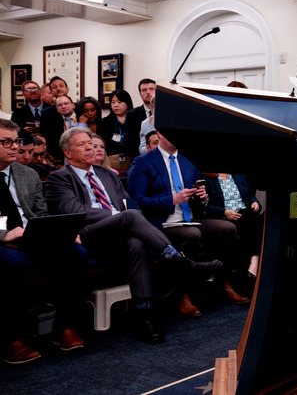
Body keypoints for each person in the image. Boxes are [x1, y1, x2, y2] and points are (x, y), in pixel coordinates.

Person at [44, 127, 223, 343]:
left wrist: (123, 216)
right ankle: (182, 263)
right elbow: (75, 211)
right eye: (82, 145)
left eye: (90, 143)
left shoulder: (106, 175)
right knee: (130, 217)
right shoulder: (59, 179)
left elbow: (131, 203)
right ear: (68, 153)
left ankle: (144, 315)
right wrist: (119, 216)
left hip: (121, 231)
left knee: (136, 243)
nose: (90, 147)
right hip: (86, 235)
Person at [127, 131, 249, 317]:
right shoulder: (143, 162)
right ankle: (182, 294)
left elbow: (198, 198)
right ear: (160, 134)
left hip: (190, 218)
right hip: (161, 223)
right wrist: (171, 200)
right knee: (191, 234)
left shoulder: (187, 161)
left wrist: (203, 197)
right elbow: (138, 201)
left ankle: (223, 282)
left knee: (227, 229)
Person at [0, 119, 88, 364]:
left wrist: (60, 232)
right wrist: (3, 233)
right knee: (15, 263)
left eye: (15, 141)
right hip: (3, 239)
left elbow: (40, 214)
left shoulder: (26, 174)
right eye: (5, 142)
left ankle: (65, 327)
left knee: (75, 253)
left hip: (31, 236)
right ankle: (10, 339)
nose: (14, 147)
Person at [203, 172, 264, 294]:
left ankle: (253, 264)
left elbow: (251, 196)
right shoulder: (206, 177)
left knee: (256, 218)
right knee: (254, 221)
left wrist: (255, 202)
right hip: (224, 218)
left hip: (244, 215)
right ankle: (253, 265)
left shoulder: (239, 174)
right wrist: (224, 212)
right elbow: (206, 206)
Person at [96, 90, 142, 168]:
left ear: (127, 104)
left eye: (119, 102)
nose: (116, 105)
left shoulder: (137, 121)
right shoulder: (104, 122)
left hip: (133, 161)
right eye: (113, 102)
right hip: (111, 162)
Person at [39, 95, 82, 162]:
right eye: (60, 105)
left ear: (73, 105)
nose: (63, 107)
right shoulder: (53, 123)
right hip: (63, 156)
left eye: (66, 103)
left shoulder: (82, 118)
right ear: (57, 109)